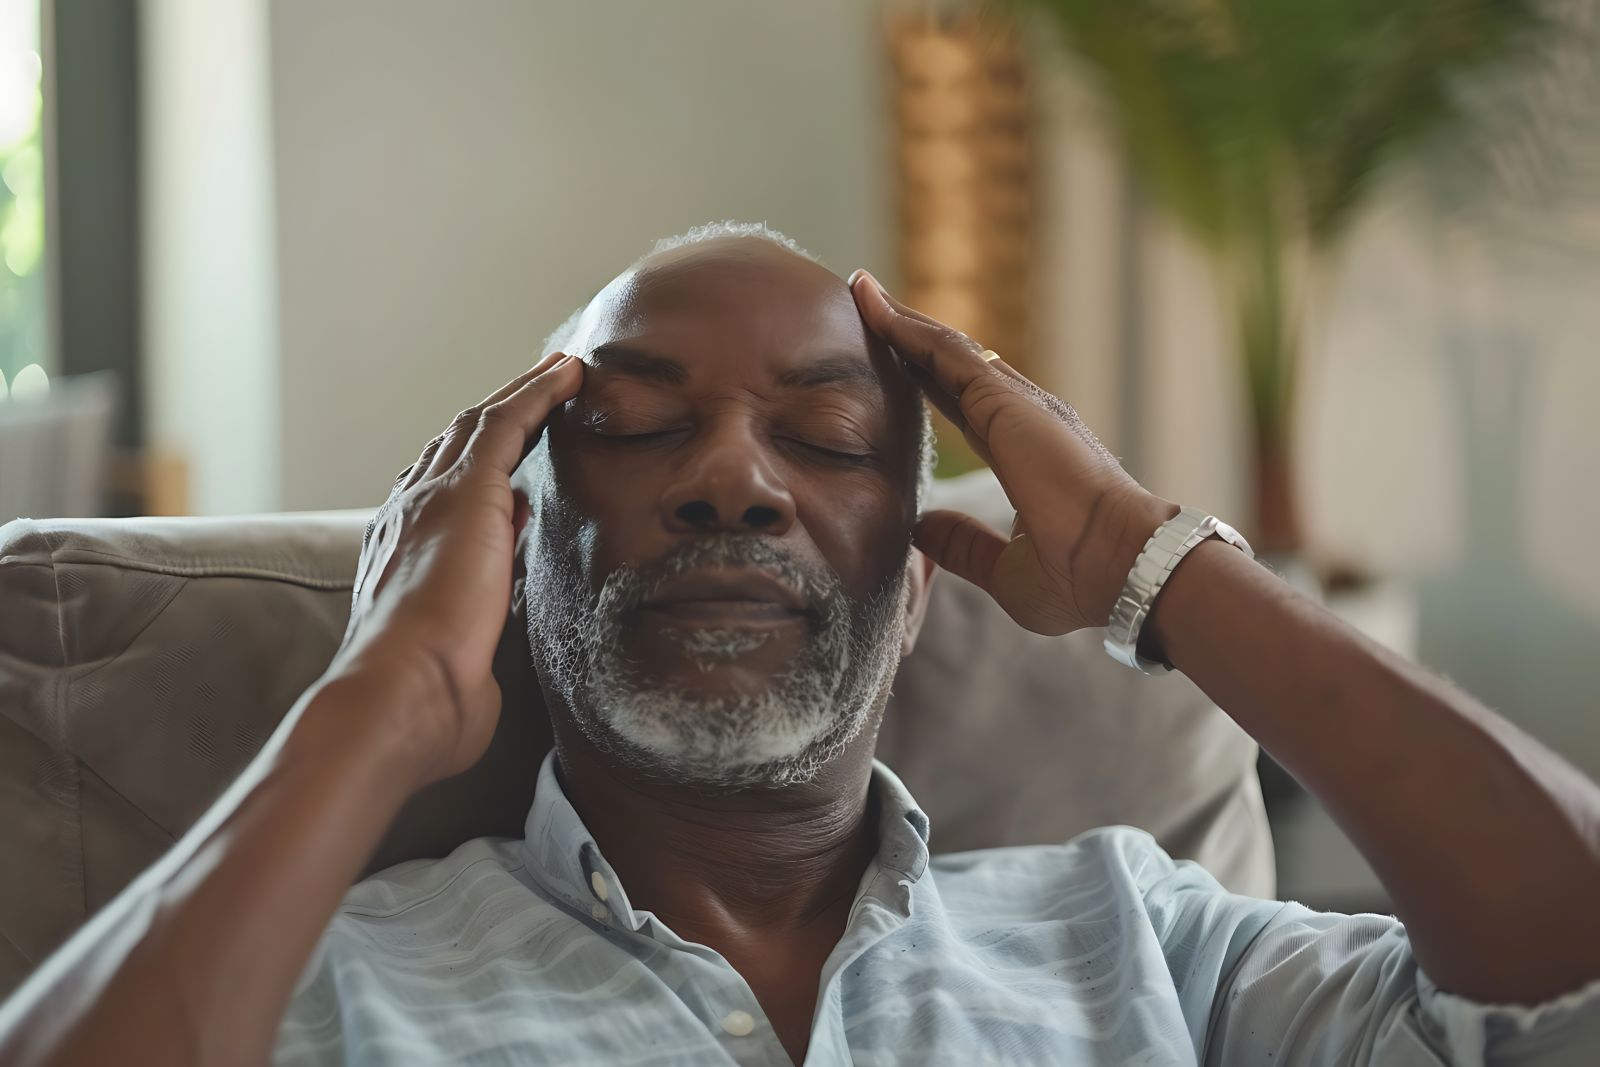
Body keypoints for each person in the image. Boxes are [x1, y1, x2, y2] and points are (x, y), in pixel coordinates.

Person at [1, 222, 1597, 1066]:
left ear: (912, 586)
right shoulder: (317, 985)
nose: (732, 484)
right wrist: (390, 686)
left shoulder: (1149, 943)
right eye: (634, 432)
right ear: (512, 555)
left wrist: (1140, 558)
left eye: (829, 439)